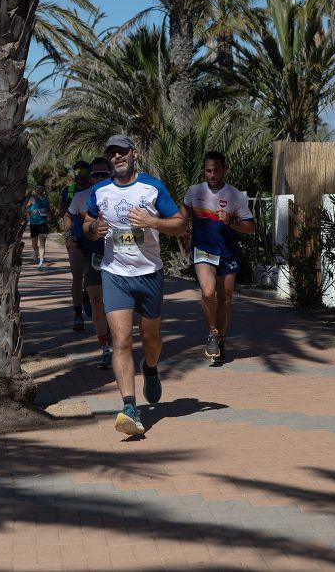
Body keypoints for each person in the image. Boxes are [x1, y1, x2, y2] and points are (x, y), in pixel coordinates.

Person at [82, 134, 185, 436]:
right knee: (122, 340)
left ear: (134, 154)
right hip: (114, 275)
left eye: (122, 152)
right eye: (112, 153)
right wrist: (93, 229)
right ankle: (130, 407)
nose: (117, 157)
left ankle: (150, 368)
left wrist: (153, 223)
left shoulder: (152, 188)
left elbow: (179, 224)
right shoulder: (100, 191)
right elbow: (87, 225)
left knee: (151, 341)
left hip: (150, 274)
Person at [183, 151, 256, 362]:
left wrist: (231, 223)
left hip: (227, 252)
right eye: (208, 171)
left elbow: (251, 227)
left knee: (225, 299)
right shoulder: (194, 191)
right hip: (203, 250)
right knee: (207, 292)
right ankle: (212, 333)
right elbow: (181, 215)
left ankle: (221, 338)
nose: (212, 175)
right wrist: (179, 228)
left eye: (216, 170)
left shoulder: (235, 196)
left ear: (224, 170)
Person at [67, 157, 113, 368]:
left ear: (111, 174)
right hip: (90, 255)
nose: (99, 178)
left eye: (104, 174)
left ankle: (114, 337)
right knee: (96, 300)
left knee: (111, 304)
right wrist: (69, 234)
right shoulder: (81, 196)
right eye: (96, 175)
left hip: (118, 258)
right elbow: (68, 215)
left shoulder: (120, 194)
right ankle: (105, 348)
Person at [61, 160, 92, 330]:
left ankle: (89, 296)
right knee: (77, 277)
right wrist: (68, 235)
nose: (79, 174)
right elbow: (64, 212)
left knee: (92, 277)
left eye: (83, 170)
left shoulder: (97, 190)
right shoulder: (69, 191)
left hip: (95, 241)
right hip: (76, 240)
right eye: (76, 171)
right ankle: (78, 316)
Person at [25, 184, 50, 269]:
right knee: (34, 244)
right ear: (35, 189)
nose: (38, 189)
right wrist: (30, 212)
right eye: (37, 188)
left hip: (43, 223)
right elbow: (25, 208)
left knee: (42, 243)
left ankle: (41, 262)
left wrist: (48, 215)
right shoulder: (32, 199)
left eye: (40, 187)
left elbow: (48, 209)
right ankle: (35, 250)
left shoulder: (46, 199)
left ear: (43, 189)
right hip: (34, 223)